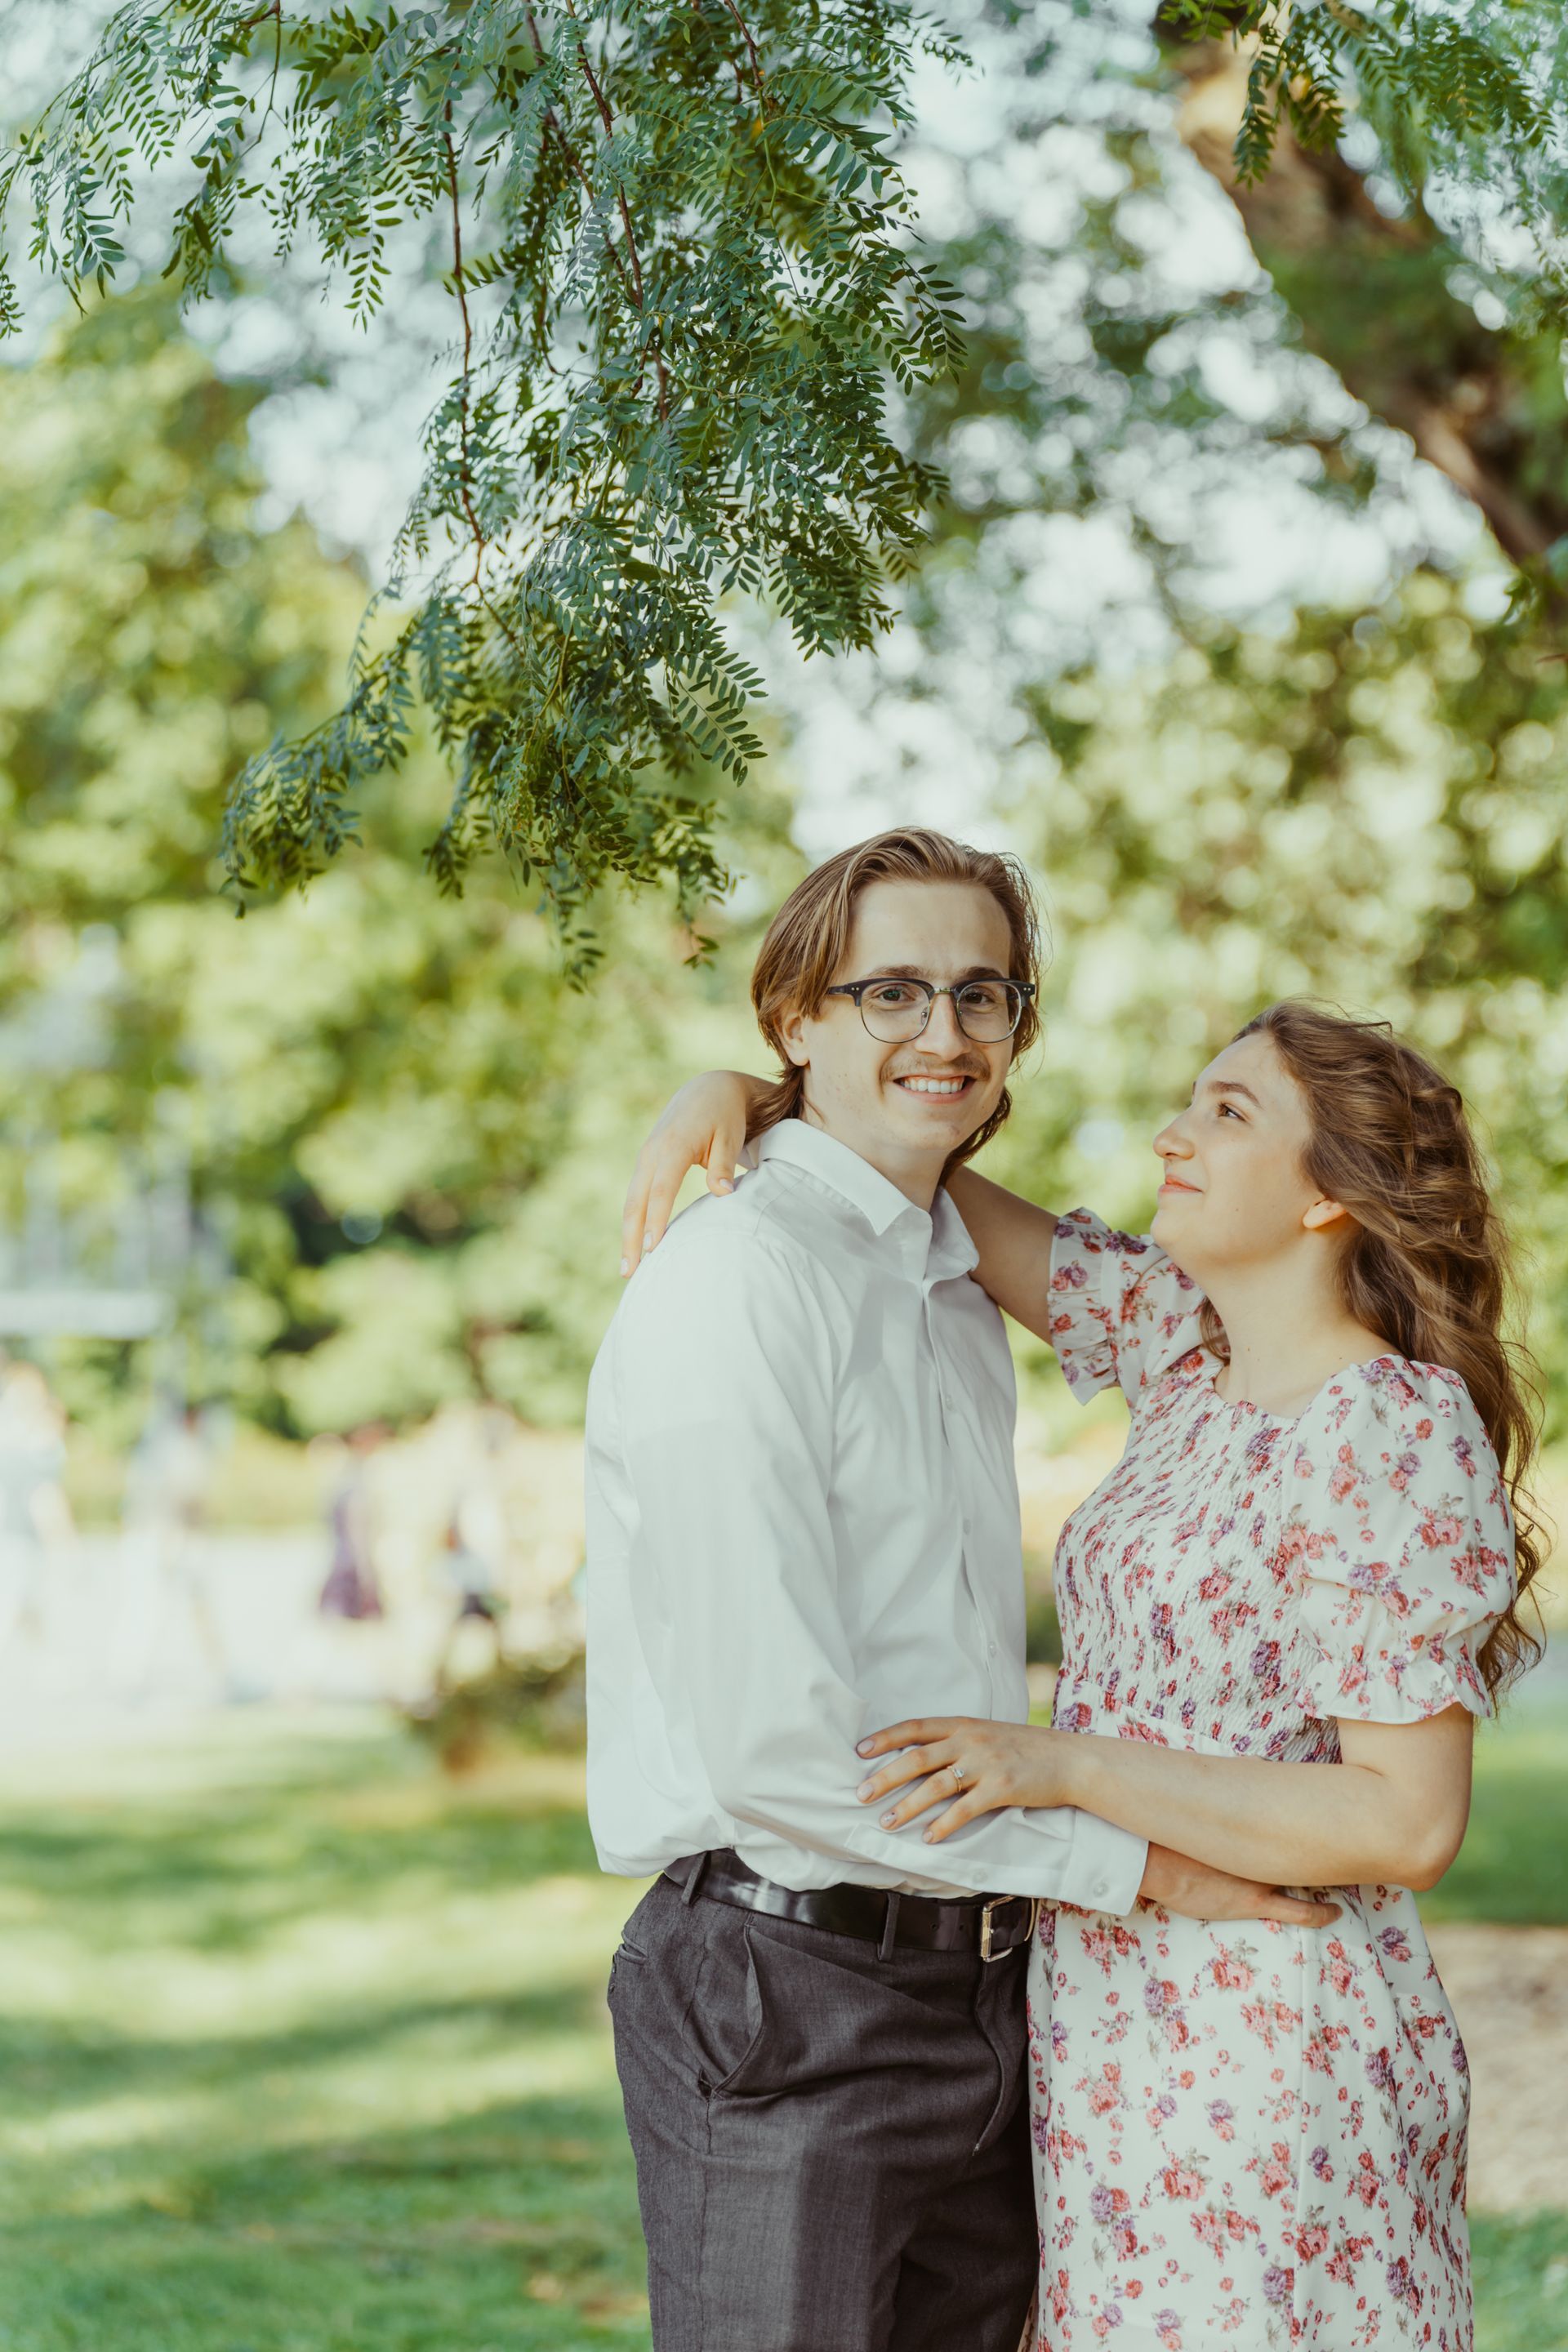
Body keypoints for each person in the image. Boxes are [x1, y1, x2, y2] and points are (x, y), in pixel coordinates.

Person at [625, 996, 1542, 2351]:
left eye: (1229, 1114)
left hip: (1266, 2033)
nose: (1172, 1134)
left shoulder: (1387, 1429)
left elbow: (1406, 1821)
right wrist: (747, 1092)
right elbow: (913, 1161)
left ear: (1327, 1200)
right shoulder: (1188, 1355)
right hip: (1102, 2023)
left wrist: (1060, 1764)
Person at [588, 829, 1335, 2352]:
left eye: (982, 996)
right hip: (787, 1986)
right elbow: (780, 1758)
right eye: (892, 993)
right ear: (796, 1019)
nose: (945, 1033)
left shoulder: (948, 1281)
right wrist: (1145, 1872)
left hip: (990, 1990)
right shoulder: (739, 1282)